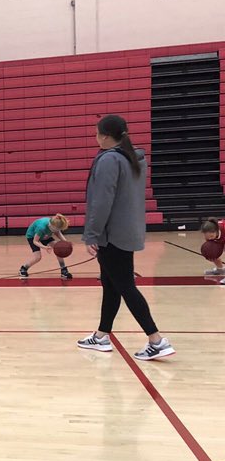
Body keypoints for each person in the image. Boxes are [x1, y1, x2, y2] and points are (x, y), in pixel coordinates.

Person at [77, 115, 174, 361]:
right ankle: (101, 335)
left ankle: (156, 340)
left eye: (97, 132)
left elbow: (102, 201)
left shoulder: (109, 160)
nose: (95, 136)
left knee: (125, 286)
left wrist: (92, 234)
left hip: (112, 235)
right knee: (111, 285)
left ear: (106, 136)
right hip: (127, 230)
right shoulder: (132, 158)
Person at [20, 214, 72, 280]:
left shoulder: (54, 224)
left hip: (45, 235)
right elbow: (35, 241)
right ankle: (24, 268)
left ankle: (63, 269)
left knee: (58, 249)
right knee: (38, 257)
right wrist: (45, 247)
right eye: (55, 229)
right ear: (51, 226)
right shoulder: (41, 228)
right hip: (32, 236)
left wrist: (66, 242)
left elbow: (57, 233)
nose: (56, 231)